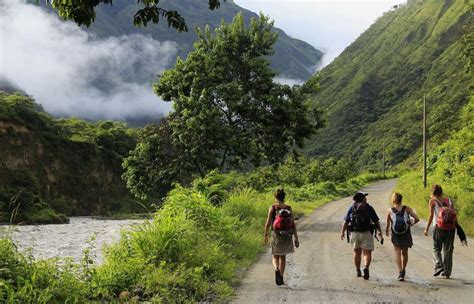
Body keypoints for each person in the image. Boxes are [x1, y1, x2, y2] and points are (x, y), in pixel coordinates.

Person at [340, 191, 383, 280]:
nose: (366, 198)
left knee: (357, 253)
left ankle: (358, 270)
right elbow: (376, 221)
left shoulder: (352, 208)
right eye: (365, 197)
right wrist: (380, 232)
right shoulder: (369, 208)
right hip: (367, 233)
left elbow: (346, 221)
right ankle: (366, 267)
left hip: (355, 233)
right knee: (367, 253)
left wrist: (342, 232)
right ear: (362, 199)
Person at [264, 188, 299, 286]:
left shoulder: (273, 207)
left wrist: (265, 234)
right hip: (287, 235)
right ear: (284, 197)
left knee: (275, 256)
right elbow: (293, 224)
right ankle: (281, 276)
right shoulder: (288, 208)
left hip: (276, 234)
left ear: (275, 197)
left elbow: (268, 222)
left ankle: (276, 269)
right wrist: (296, 238)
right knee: (283, 257)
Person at [423, 184, 457, 278]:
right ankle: (447, 272)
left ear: (432, 192)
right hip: (451, 228)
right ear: (441, 192)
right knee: (448, 250)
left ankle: (439, 265)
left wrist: (426, 228)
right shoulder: (449, 200)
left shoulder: (433, 201)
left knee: (436, 248)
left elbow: (430, 216)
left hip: (438, 227)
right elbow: (454, 214)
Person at [385, 192, 419, 281]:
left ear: (393, 200)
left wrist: (386, 232)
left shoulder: (389, 210)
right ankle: (403, 270)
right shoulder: (406, 208)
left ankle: (400, 272)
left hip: (395, 234)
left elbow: (388, 225)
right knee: (405, 253)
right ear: (401, 199)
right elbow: (417, 219)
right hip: (406, 233)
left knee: (397, 253)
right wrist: (410, 224)